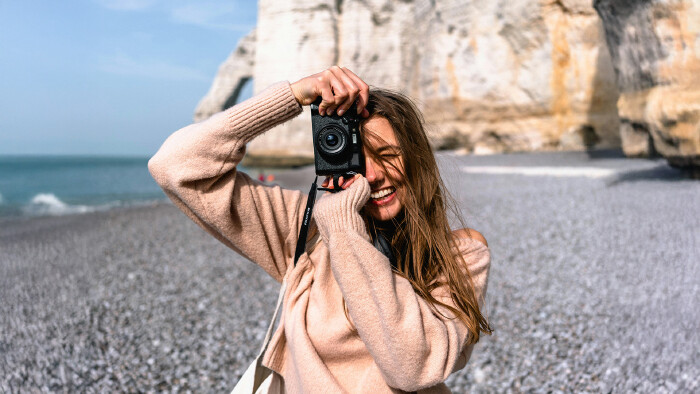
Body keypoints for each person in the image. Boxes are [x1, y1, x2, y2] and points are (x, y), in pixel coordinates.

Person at [149, 66, 492, 393]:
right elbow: (175, 165)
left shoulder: (460, 255)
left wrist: (343, 227)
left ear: (416, 157)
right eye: (358, 157)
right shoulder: (307, 230)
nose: (372, 176)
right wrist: (295, 95)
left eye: (387, 155)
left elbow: (411, 367)